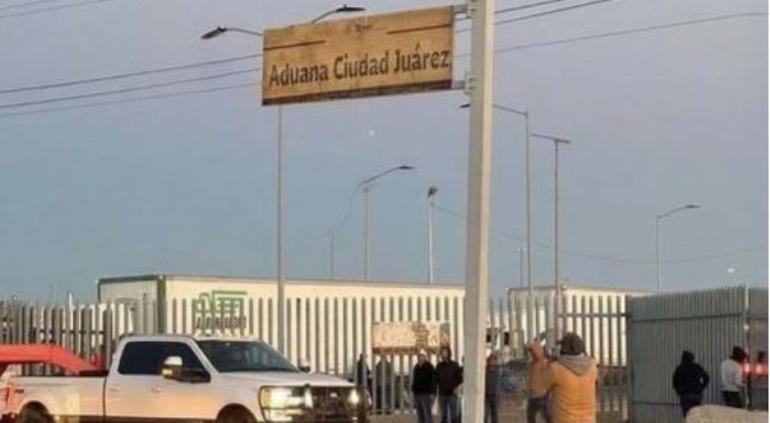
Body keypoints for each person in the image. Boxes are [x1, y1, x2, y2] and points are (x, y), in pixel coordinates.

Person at [546, 332, 598, 423]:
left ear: (562, 349)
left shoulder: (555, 368)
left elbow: (543, 387)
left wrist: (552, 360)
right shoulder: (592, 367)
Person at [672, 350, 710, 417]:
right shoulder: (697, 367)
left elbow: (674, 383)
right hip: (697, 395)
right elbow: (706, 378)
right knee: (697, 416)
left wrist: (679, 391)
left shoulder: (680, 368)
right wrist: (701, 387)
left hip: (685, 395)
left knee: (688, 415)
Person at [436, 346, 463, 423]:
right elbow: (436, 379)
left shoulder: (454, 365)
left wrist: (456, 387)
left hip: (452, 394)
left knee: (454, 415)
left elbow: (459, 379)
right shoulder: (439, 366)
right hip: (442, 394)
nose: (444, 354)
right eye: (442, 352)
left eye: (445, 352)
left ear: (449, 353)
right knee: (443, 415)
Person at [527, 341, 552, 423]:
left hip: (542, 394)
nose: (530, 354)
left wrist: (546, 390)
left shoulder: (545, 363)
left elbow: (548, 377)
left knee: (546, 416)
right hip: (533, 395)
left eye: (532, 352)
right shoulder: (533, 364)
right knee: (531, 416)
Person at [412, 349, 437, 423]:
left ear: (425, 357)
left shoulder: (429, 367)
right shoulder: (416, 367)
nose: (420, 357)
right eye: (419, 356)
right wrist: (414, 389)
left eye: (422, 356)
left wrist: (432, 393)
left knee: (427, 413)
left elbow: (433, 381)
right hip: (417, 394)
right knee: (420, 414)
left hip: (426, 394)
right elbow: (415, 379)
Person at [484, 354, 503, 423]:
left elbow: (502, 381)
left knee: (494, 415)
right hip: (487, 396)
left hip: (496, 396)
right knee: (485, 414)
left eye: (493, 360)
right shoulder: (485, 371)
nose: (492, 362)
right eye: (490, 360)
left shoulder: (499, 371)